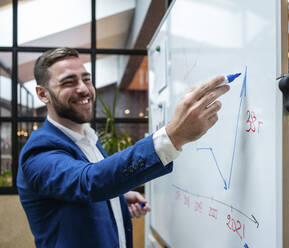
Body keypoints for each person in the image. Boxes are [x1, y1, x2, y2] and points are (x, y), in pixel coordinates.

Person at [17, 47, 229, 248]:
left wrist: (117, 200)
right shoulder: (39, 151)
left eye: (86, 79)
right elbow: (88, 182)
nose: (83, 89)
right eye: (68, 82)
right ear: (43, 94)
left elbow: (89, 191)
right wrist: (172, 136)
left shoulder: (88, 139)